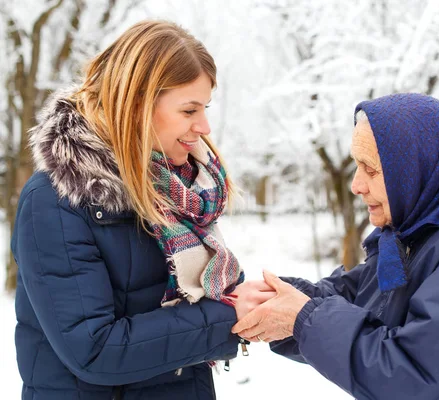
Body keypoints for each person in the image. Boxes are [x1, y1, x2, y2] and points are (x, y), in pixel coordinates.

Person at [231, 93, 439, 399]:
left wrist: (302, 319)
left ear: (415, 169)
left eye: (371, 169)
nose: (356, 185)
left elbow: (414, 375)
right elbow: (361, 301)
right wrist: (276, 300)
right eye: (355, 166)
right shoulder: (423, 229)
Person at [11, 20, 272, 400]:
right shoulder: (57, 201)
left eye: (205, 108)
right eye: (189, 110)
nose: (204, 126)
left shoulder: (178, 191)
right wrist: (227, 315)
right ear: (136, 104)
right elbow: (94, 349)